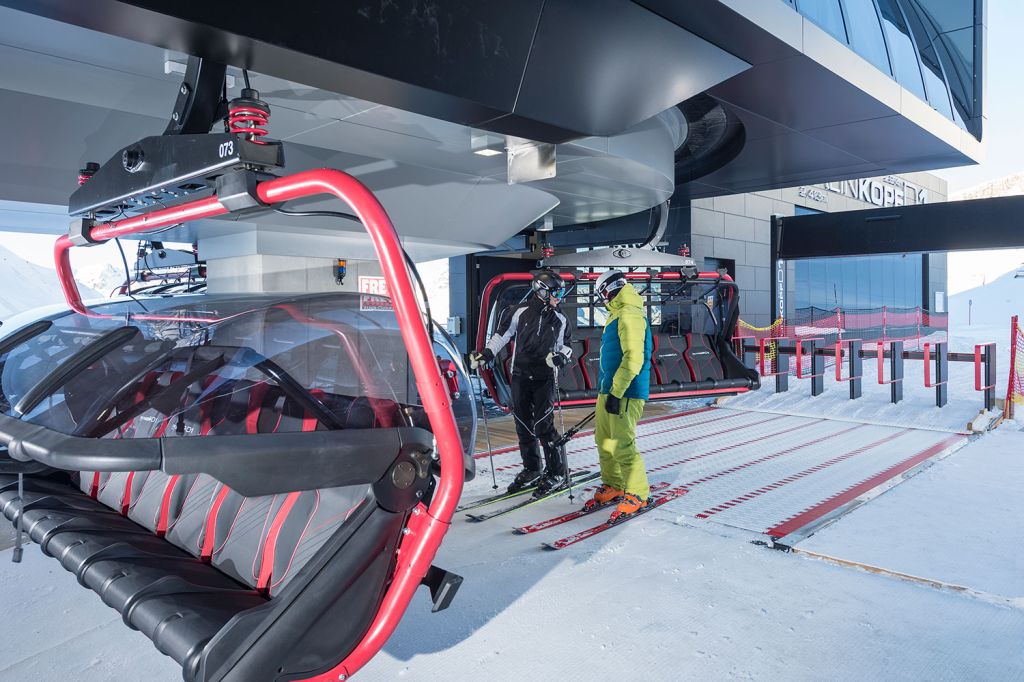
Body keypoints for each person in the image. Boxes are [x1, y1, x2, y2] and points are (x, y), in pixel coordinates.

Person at [470, 269, 573, 495]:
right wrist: (486, 354)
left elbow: (566, 345)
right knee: (524, 425)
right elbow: (502, 335)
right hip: (520, 376)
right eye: (556, 292)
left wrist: (561, 357)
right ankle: (532, 468)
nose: (559, 297)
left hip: (544, 378)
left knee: (543, 426)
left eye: (561, 293)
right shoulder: (518, 312)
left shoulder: (560, 318)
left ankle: (557, 471)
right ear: (541, 291)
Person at [587, 269, 653, 520]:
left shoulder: (630, 315)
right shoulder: (617, 313)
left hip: (626, 391)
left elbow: (634, 358)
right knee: (604, 439)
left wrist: (616, 392)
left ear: (607, 290)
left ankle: (638, 493)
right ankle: (614, 484)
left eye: (601, 293)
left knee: (623, 443)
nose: (601, 298)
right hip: (610, 389)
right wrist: (608, 390)